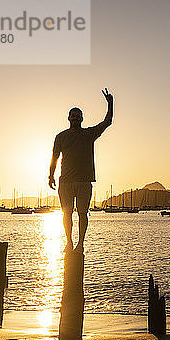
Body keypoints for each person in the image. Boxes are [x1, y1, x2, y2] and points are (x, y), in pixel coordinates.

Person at [49, 88, 113, 253]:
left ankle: (80, 244)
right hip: (66, 182)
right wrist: (51, 176)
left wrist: (110, 104)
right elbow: (54, 157)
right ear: (69, 118)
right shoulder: (60, 137)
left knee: (82, 213)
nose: (76, 118)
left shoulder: (89, 134)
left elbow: (107, 122)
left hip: (84, 181)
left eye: (78, 116)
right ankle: (69, 243)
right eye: (73, 115)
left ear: (82, 119)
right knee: (66, 214)